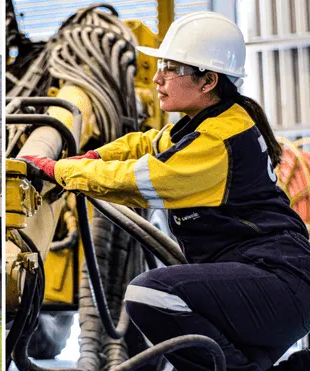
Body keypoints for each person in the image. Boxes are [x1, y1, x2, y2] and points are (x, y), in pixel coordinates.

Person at [20, 11, 310, 371]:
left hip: (276, 285)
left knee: (150, 293)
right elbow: (145, 144)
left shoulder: (220, 141)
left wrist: (59, 170)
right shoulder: (209, 121)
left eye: (171, 69)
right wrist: (93, 154)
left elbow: (140, 179)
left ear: (208, 81)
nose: (158, 78)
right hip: (267, 286)